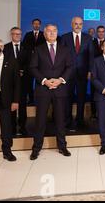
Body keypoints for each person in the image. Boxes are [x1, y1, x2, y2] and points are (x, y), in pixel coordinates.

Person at [29, 24, 73, 160]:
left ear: (57, 32)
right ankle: (36, 148)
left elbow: (70, 67)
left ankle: (62, 146)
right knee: (40, 120)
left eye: (54, 31)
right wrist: (44, 81)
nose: (52, 33)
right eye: (49, 31)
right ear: (44, 34)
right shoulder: (38, 49)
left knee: (60, 119)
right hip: (43, 89)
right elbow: (33, 68)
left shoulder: (65, 50)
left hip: (60, 89)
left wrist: (60, 80)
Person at [61, 16, 94, 131]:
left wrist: (90, 71)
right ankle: (67, 120)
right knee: (68, 97)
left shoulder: (88, 38)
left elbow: (91, 56)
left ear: (82, 25)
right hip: (68, 73)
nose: (78, 26)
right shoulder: (64, 37)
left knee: (81, 97)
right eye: (76, 23)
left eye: (80, 24)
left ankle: (80, 120)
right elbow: (61, 57)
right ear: (72, 24)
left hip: (83, 73)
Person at [3, 27, 29, 136]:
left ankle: (23, 126)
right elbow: (3, 63)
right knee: (11, 105)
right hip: (9, 82)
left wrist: (22, 71)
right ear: (11, 35)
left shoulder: (26, 47)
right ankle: (12, 127)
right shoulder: (5, 47)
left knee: (22, 105)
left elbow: (30, 62)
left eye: (19, 34)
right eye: (15, 34)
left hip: (23, 81)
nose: (17, 36)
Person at [22, 18, 45, 104]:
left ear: (40, 25)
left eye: (38, 24)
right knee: (29, 83)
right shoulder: (28, 35)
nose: (36, 25)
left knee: (41, 82)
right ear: (32, 25)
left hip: (41, 63)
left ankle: (40, 99)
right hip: (30, 63)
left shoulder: (44, 34)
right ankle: (31, 99)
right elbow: (24, 47)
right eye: (35, 23)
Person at [90, 25, 105, 119]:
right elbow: (89, 57)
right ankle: (94, 113)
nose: (101, 33)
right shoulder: (91, 42)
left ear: (104, 32)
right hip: (95, 71)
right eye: (99, 31)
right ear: (97, 32)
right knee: (94, 92)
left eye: (102, 31)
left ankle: (104, 113)